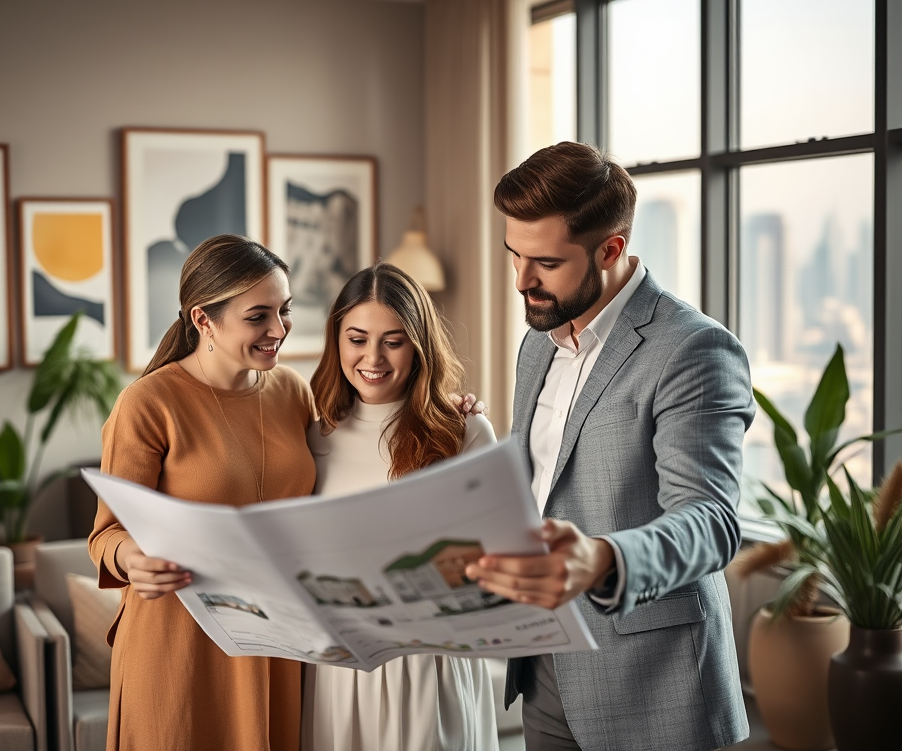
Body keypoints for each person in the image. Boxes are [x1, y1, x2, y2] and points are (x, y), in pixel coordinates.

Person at [464, 141, 754, 751]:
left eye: (544, 261)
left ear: (611, 249)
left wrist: (600, 560)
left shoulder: (693, 350)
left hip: (654, 685)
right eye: (513, 255)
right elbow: (540, 486)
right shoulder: (538, 342)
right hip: (543, 666)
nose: (521, 281)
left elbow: (710, 522)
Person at [89, 234, 315, 751]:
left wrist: (446, 414)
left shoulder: (292, 392)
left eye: (284, 311)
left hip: (274, 633)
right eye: (258, 316)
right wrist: (132, 558)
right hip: (180, 642)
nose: (278, 330)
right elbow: (106, 534)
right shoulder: (147, 405)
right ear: (202, 320)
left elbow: (354, 452)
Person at [303, 262, 500, 751]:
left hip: (427, 665)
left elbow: (492, 558)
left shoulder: (465, 431)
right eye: (357, 338)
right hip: (335, 668)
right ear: (336, 340)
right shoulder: (310, 432)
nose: (373, 357)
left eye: (393, 340)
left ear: (419, 344)